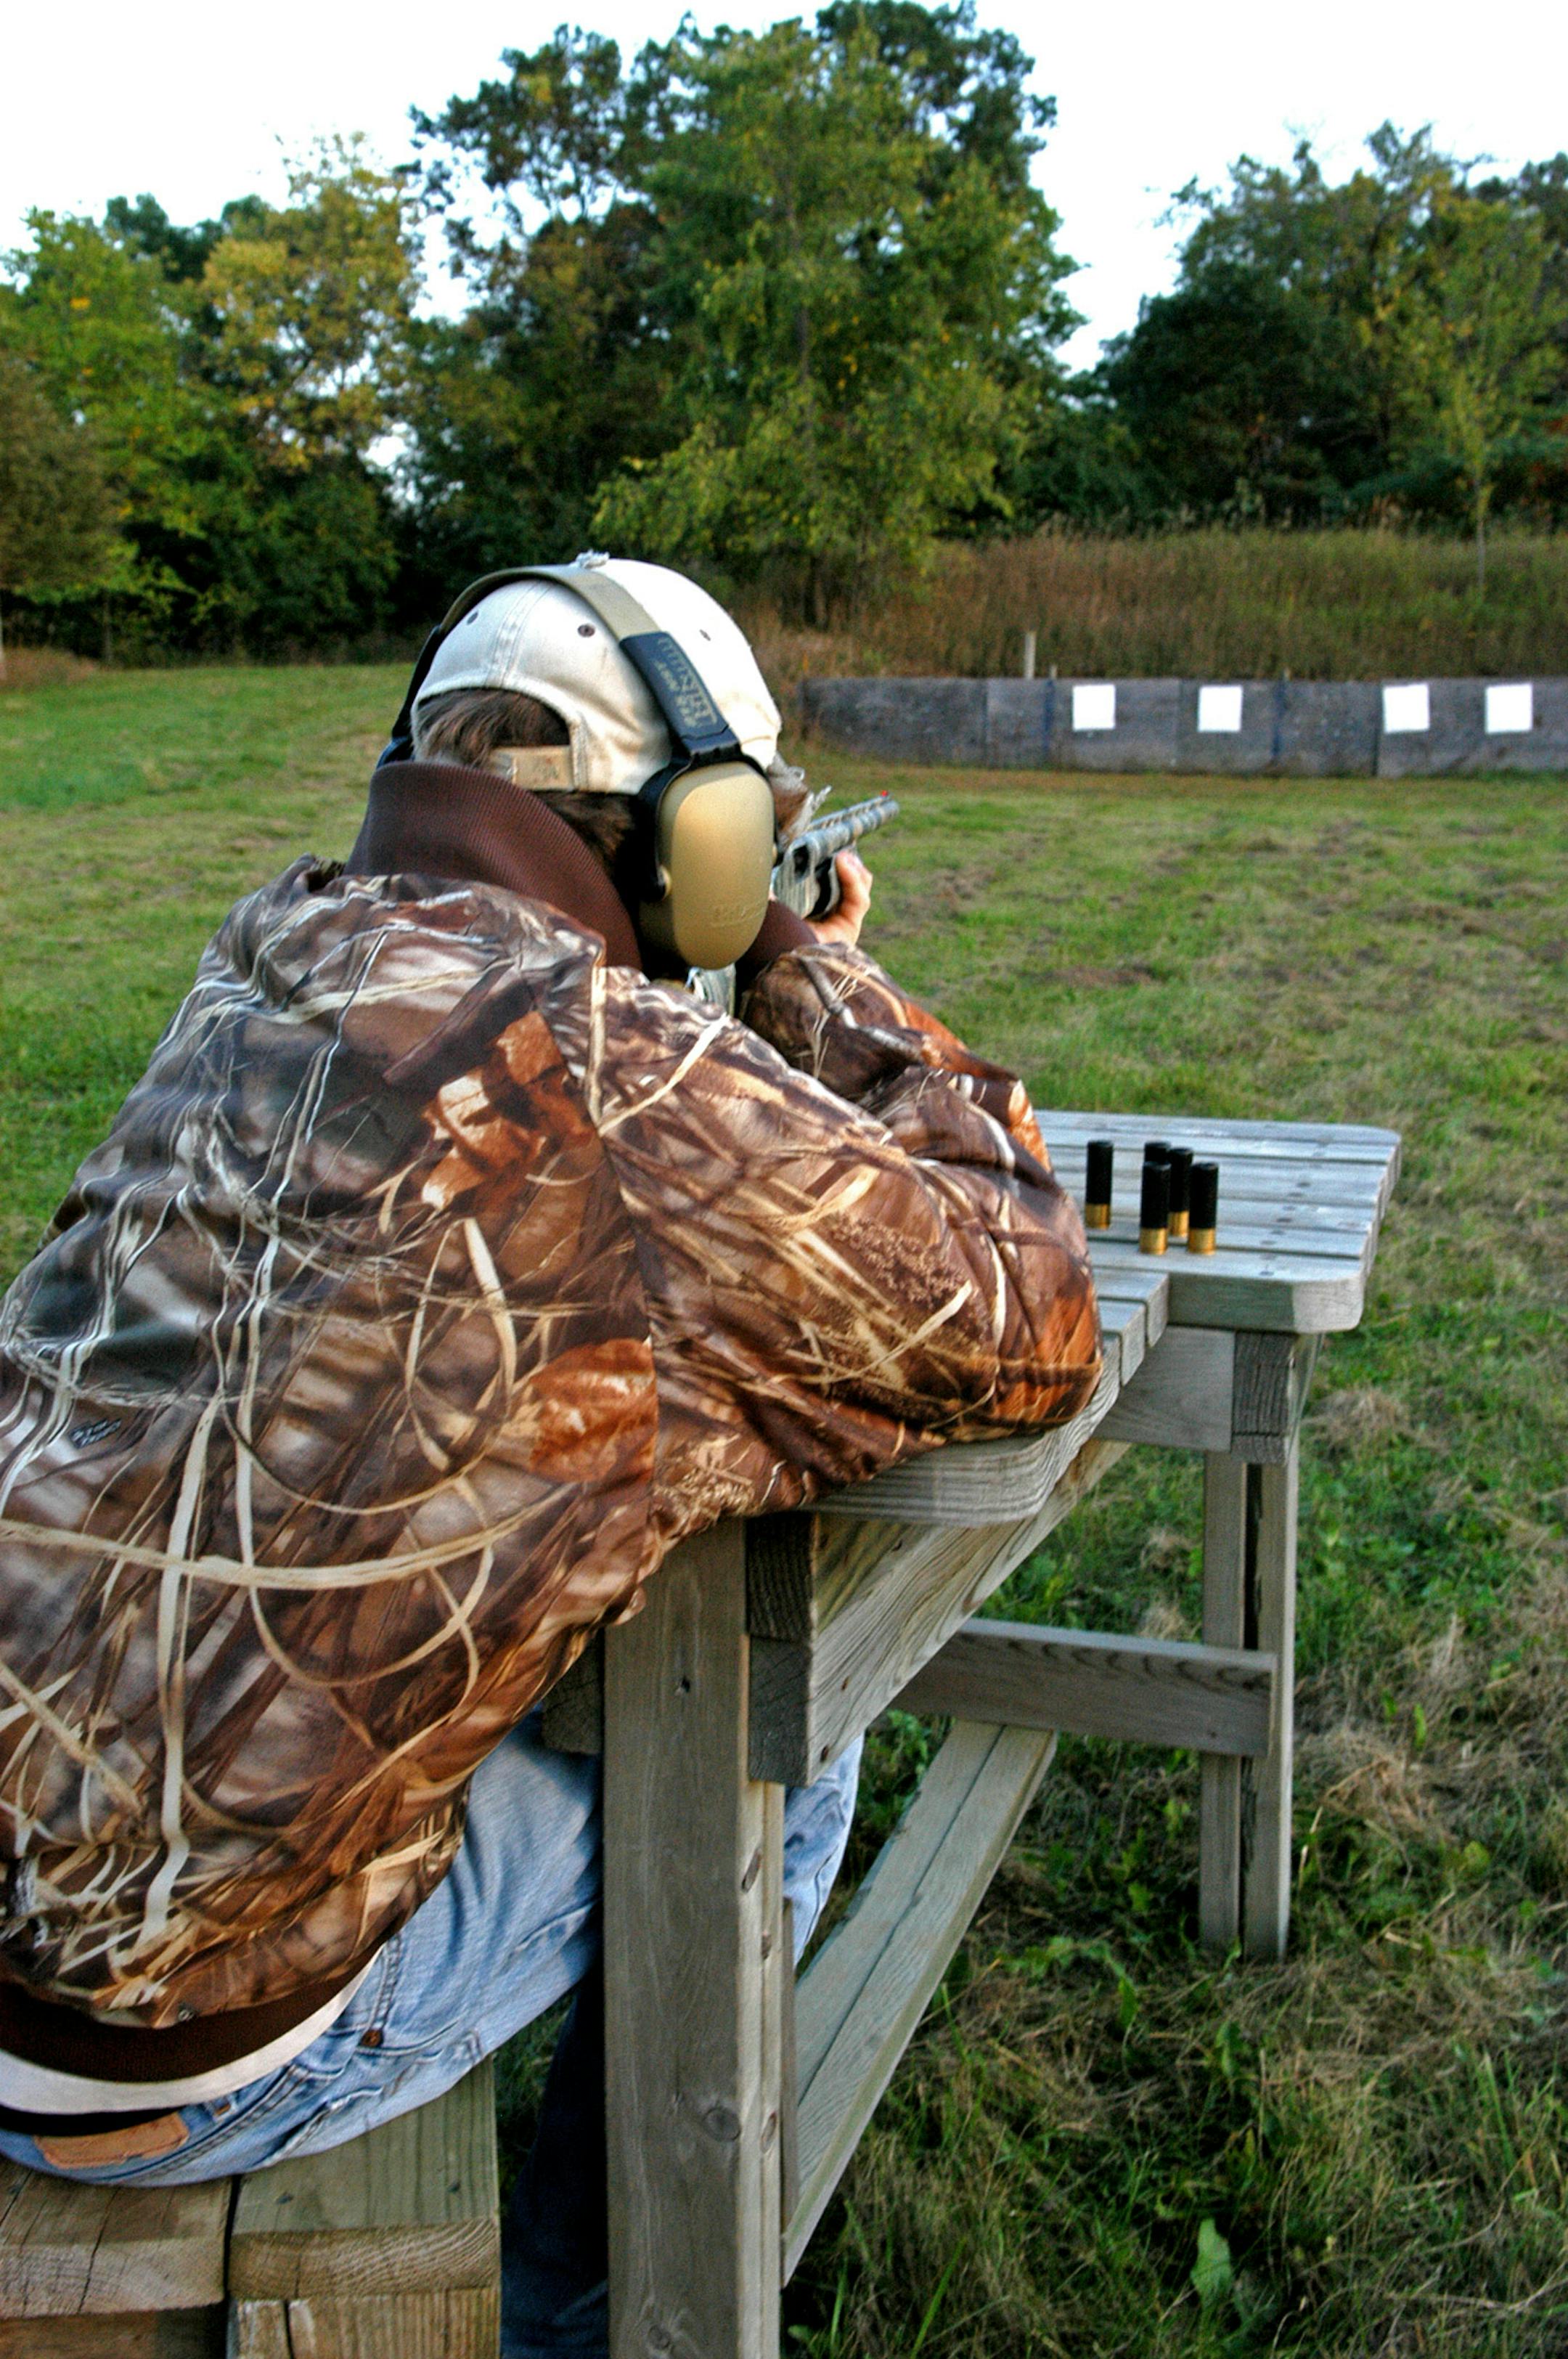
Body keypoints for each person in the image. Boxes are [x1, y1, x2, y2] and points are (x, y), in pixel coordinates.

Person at [0, 558, 1101, 2352]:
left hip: (29, 1895)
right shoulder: (617, 1071)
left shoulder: (266, 953)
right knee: (778, 1738)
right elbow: (1024, 1309)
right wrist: (809, 961)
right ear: (700, 837)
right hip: (159, 2048)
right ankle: (601, 2309)